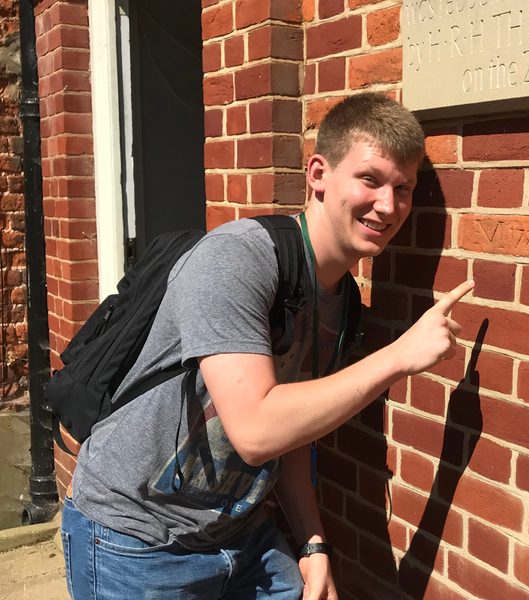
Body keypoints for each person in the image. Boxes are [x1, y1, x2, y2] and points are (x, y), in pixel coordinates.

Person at [61, 92, 474, 600]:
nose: (388, 206)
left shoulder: (341, 300)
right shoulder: (237, 259)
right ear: (318, 174)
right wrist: (397, 358)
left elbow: (291, 433)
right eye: (370, 179)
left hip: (242, 537)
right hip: (137, 541)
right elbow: (256, 429)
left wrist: (312, 544)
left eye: (403, 188)